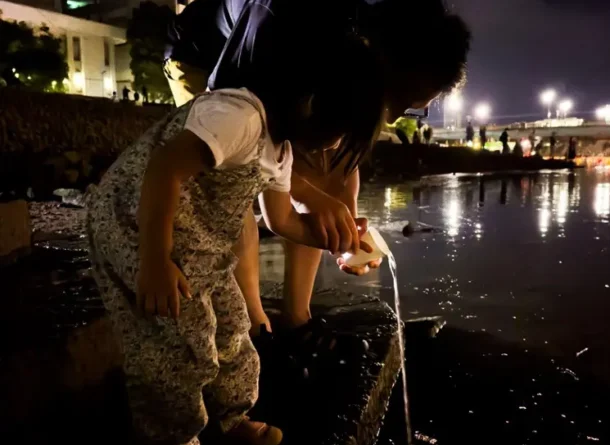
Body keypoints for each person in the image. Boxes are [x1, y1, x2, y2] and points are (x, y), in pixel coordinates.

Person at [86, 33, 386, 445]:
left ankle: (231, 420)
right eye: (338, 134)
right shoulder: (238, 116)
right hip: (137, 226)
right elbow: (164, 169)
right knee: (177, 353)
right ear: (311, 102)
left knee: (233, 329)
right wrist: (153, 260)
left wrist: (340, 242)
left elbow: (281, 220)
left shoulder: (279, 150)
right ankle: (174, 436)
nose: (334, 147)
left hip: (198, 243)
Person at [165, 0, 470, 348]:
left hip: (286, 75)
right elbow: (241, 147)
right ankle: (253, 326)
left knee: (315, 154)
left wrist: (342, 233)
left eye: (409, 112)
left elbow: (333, 169)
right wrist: (307, 194)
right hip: (201, 57)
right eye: (396, 103)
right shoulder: (283, 19)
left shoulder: (355, 56)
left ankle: (296, 318)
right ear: (380, 62)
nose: (389, 119)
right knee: (231, 189)